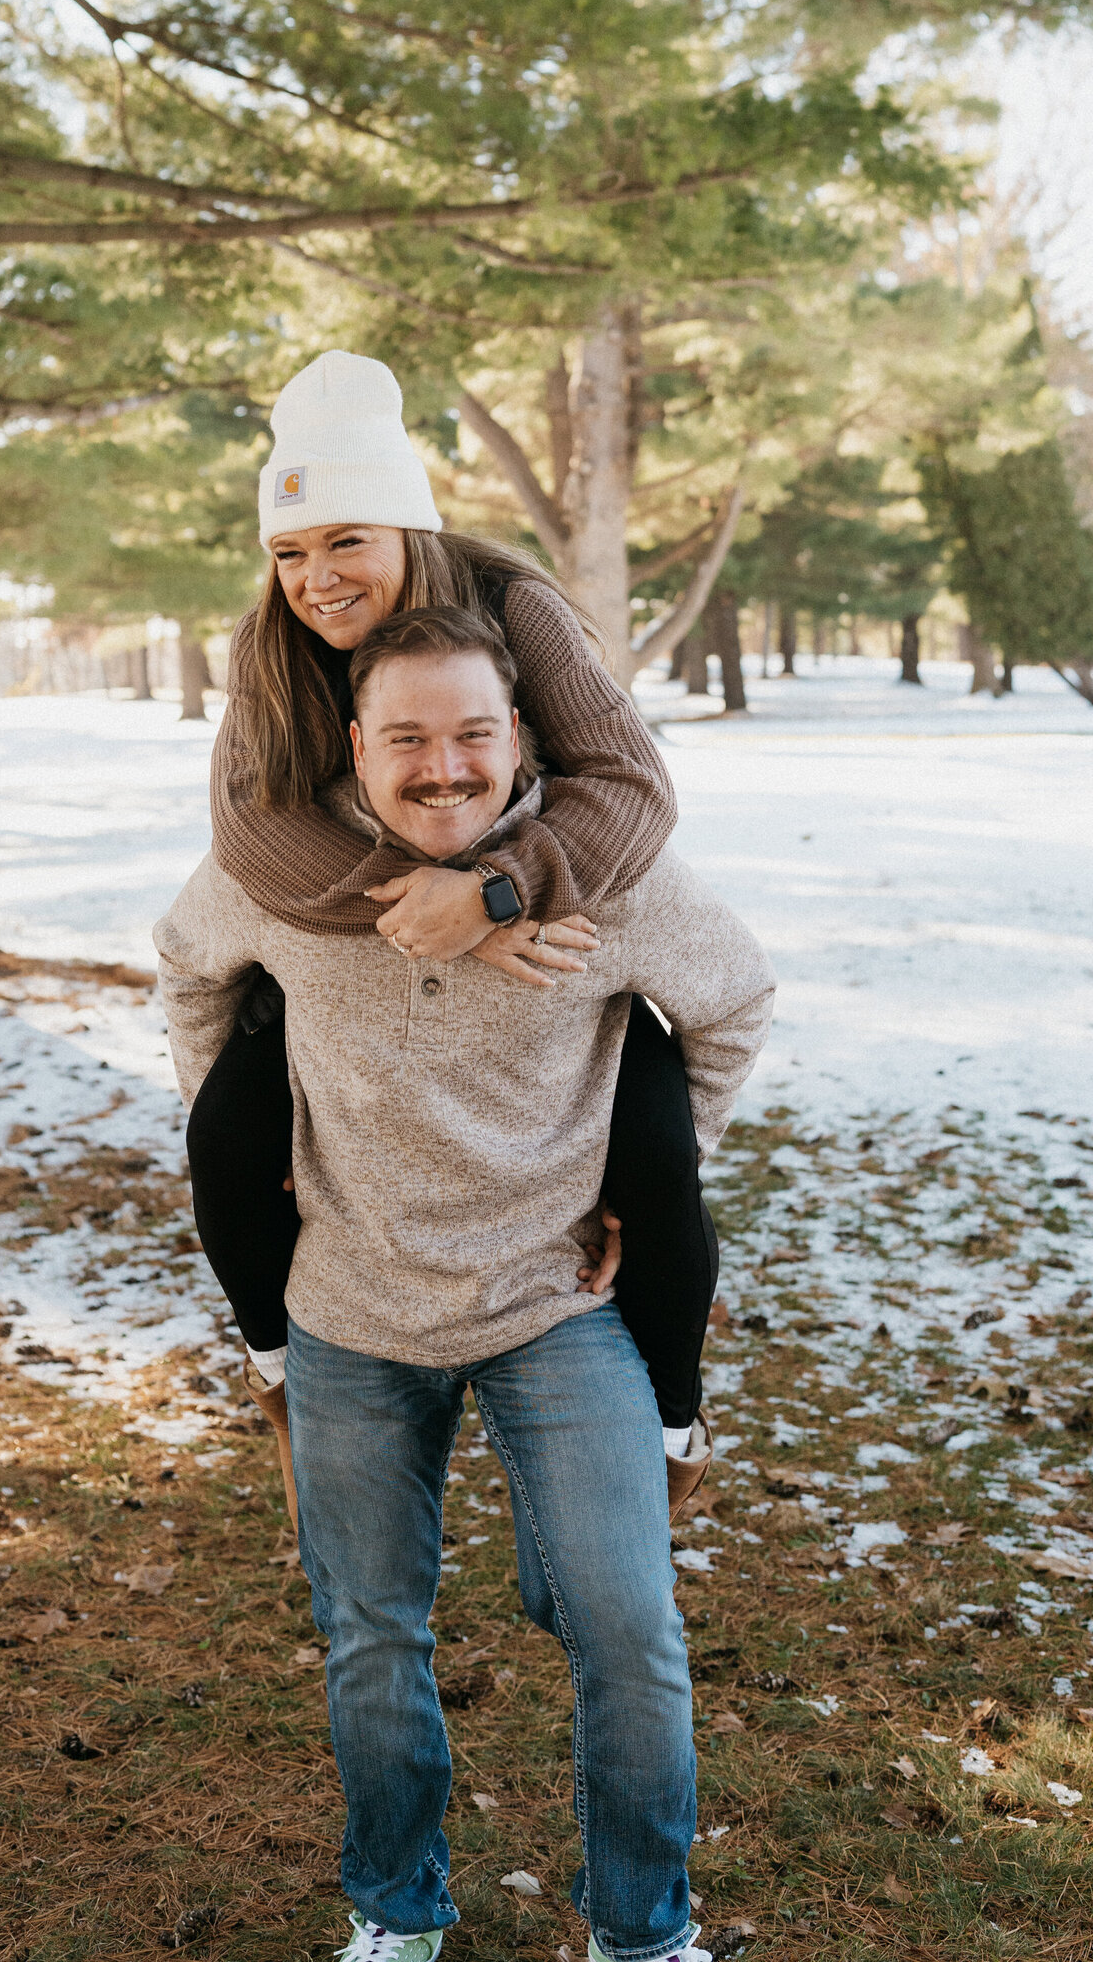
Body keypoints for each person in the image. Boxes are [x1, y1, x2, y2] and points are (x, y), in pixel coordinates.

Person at [155, 604, 775, 1962]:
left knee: (629, 1628)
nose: (445, 768)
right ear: (357, 748)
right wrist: (241, 1133)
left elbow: (732, 1000)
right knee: (372, 1635)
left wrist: (647, 1177)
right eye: (409, 739)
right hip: (354, 1317)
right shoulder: (292, 876)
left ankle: (643, 1934)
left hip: (556, 1307)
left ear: (522, 740)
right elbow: (190, 967)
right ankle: (397, 1911)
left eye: (475, 735)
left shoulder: (602, 875)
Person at [187, 348, 721, 1483]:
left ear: (408, 536)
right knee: (228, 1135)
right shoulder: (269, 650)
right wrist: (441, 914)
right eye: (288, 551)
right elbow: (250, 835)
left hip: (557, 943)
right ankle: (278, 1366)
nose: (315, 578)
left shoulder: (514, 609)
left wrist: (496, 888)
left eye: (345, 541)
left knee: (659, 1158)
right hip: (354, 961)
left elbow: (634, 789)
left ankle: (673, 1425)